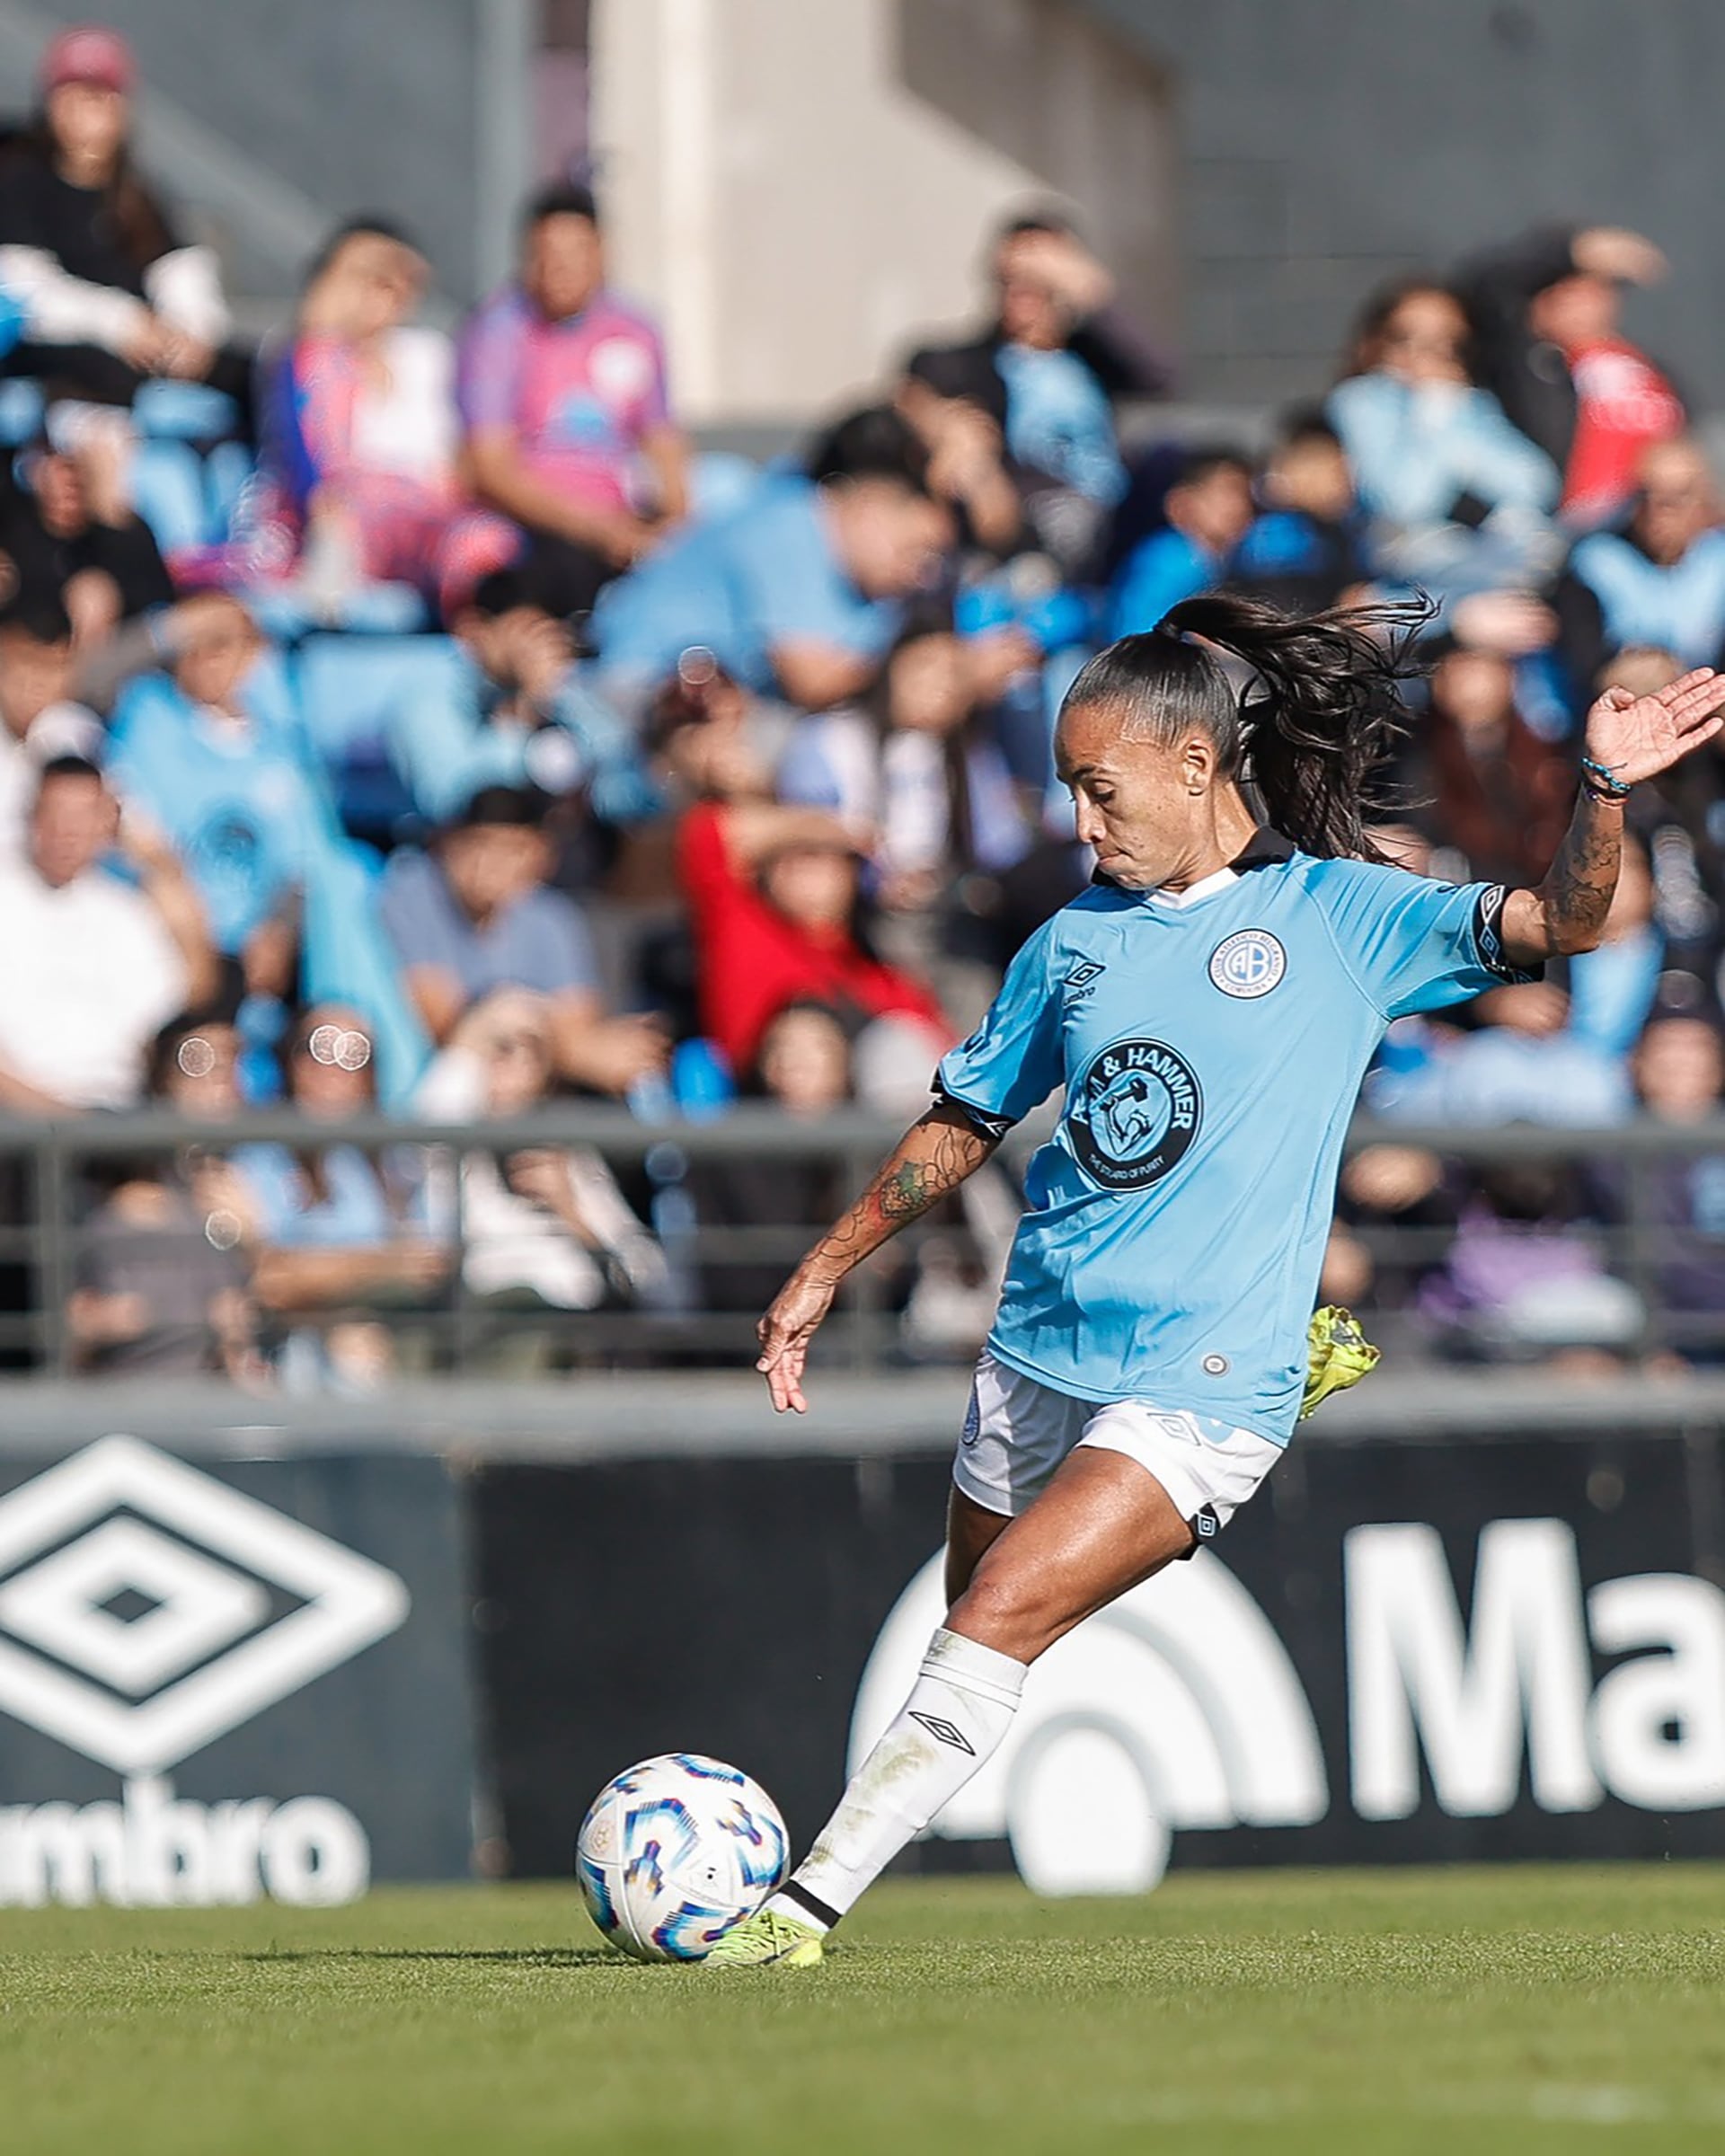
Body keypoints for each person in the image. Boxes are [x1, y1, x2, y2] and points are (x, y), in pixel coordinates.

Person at [706, 593, 1725, 1966]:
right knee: (979, 1623)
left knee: (1000, 1613)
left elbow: (1563, 923)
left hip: (1202, 1383)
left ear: (1195, 767)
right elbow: (968, 1119)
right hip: (1035, 1354)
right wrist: (824, 1268)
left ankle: (800, 1913)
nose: (1083, 822)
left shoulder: (1343, 915)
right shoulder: (1072, 942)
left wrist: (1600, 787)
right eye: (1071, 790)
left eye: (1100, 787)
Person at [592, 404, 951, 711]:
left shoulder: (873, 588)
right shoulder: (793, 526)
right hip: (639, 692)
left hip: (720, 704)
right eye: (916, 550)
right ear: (869, 509)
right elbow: (812, 680)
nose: (922, 571)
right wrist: (939, 672)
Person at [256, 217, 516, 621]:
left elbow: (456, 462)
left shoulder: (428, 355)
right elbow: (309, 450)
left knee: (485, 541)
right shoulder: (305, 360)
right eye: (361, 278)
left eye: (390, 281)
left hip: (426, 519)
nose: (380, 294)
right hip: (338, 520)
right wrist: (319, 321)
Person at [458, 182, 690, 620]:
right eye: (545, 255)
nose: (558, 270)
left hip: (622, 519)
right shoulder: (498, 333)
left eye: (574, 253)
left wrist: (676, 523)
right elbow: (490, 466)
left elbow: (663, 439)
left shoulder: (635, 329)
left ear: (602, 252)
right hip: (540, 525)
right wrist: (597, 529)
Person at [0, 26, 247, 413]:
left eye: (102, 94)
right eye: (76, 92)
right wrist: (121, 323)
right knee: (104, 377)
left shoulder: (138, 196)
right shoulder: (18, 179)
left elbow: (179, 268)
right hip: (59, 353)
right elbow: (24, 291)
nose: (89, 107)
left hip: (144, 349)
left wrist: (190, 333)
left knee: (249, 373)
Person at [378, 783, 666, 1095]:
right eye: (478, 845)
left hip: (530, 1085)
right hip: (428, 1090)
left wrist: (594, 1048)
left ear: (540, 855)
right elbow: (441, 1021)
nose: (488, 863)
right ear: (449, 846)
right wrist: (582, 1054)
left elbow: (580, 1020)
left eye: (510, 848)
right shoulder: (411, 899)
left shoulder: (551, 917)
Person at [677, 791, 946, 1079]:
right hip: (759, 1113)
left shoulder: (884, 980)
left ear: (851, 875)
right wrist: (831, 827)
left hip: (866, 1119)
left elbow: (944, 1062)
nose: (801, 867)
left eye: (819, 856)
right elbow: (704, 834)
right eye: (785, 856)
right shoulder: (743, 929)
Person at [1327, 280, 1560, 598]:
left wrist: (1451, 411)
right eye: (1406, 338)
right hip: (1400, 571)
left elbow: (1534, 485)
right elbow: (1407, 504)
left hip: (1489, 560)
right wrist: (1432, 412)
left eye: (1447, 342)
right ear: (1378, 339)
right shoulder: (1362, 401)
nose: (1427, 355)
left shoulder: (1467, 401)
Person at [0, 755, 206, 1109]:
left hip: (114, 1121)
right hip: (20, 1130)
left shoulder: (125, 912)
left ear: (104, 824)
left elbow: (196, 989)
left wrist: (162, 868)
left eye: (81, 817)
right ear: (32, 816)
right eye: (56, 814)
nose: (67, 831)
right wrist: (59, 1123)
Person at [1455, 225, 1682, 526]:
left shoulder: (1650, 369)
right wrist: (1571, 251)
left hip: (1650, 526)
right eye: (1561, 289)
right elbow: (1486, 284)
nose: (1575, 299)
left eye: (1592, 288)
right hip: (1560, 530)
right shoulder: (1528, 364)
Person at [1559, 439, 1725, 687]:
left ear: (1703, 501)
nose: (1656, 512)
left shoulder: (1717, 560)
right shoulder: (1595, 563)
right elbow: (1588, 662)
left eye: (1674, 499)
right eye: (1644, 496)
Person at [1106, 446, 1254, 639]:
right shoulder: (1168, 560)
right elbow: (1136, 633)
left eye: (1244, 494)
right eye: (1225, 493)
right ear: (1180, 503)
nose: (1238, 506)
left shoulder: (1232, 558)